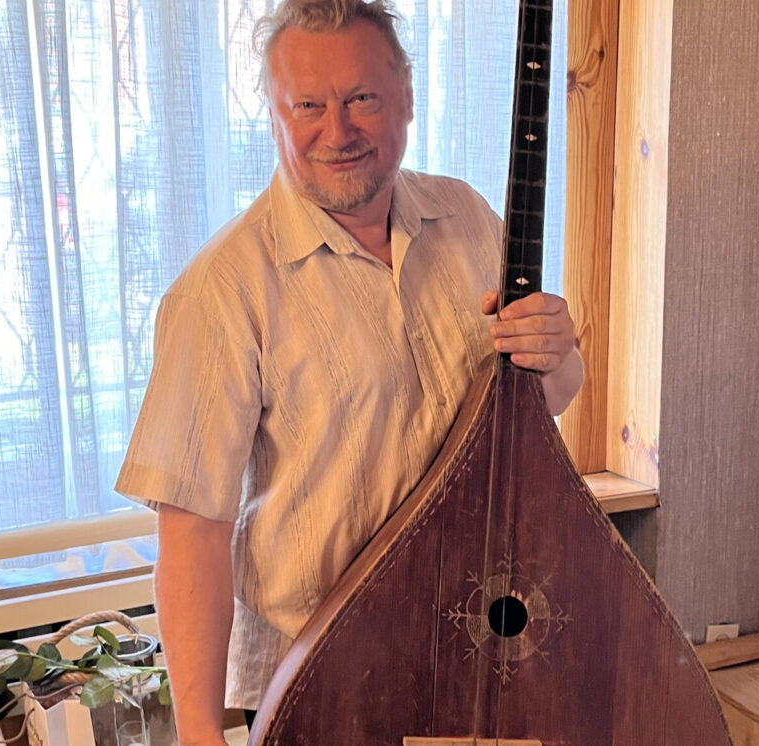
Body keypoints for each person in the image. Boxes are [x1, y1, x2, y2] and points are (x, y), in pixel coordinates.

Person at [115, 1, 583, 743]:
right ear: (274, 114)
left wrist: (559, 355)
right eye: (308, 105)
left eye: (362, 98)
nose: (337, 132)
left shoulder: (468, 220)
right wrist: (200, 734)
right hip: (324, 684)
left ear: (406, 97)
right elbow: (194, 534)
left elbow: (540, 403)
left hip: (480, 656)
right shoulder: (222, 291)